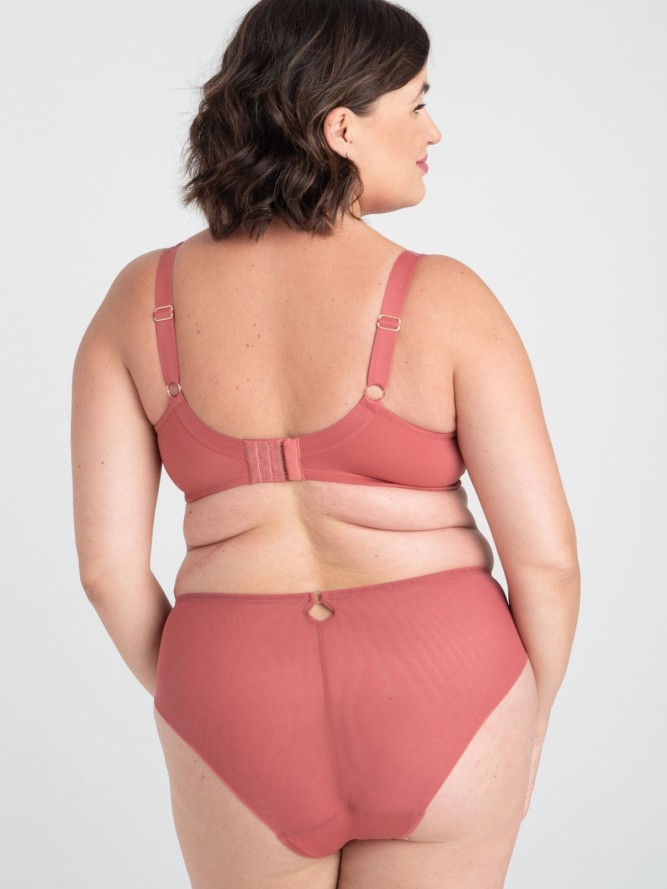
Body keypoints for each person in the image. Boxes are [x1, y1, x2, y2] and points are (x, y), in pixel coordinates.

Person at [70, 0, 580, 886]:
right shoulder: (447, 299)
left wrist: (209, 696)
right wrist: (528, 720)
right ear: (342, 128)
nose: (433, 131)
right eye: (417, 103)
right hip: (444, 690)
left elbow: (106, 572)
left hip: (234, 688)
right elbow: (549, 563)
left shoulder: (135, 302)